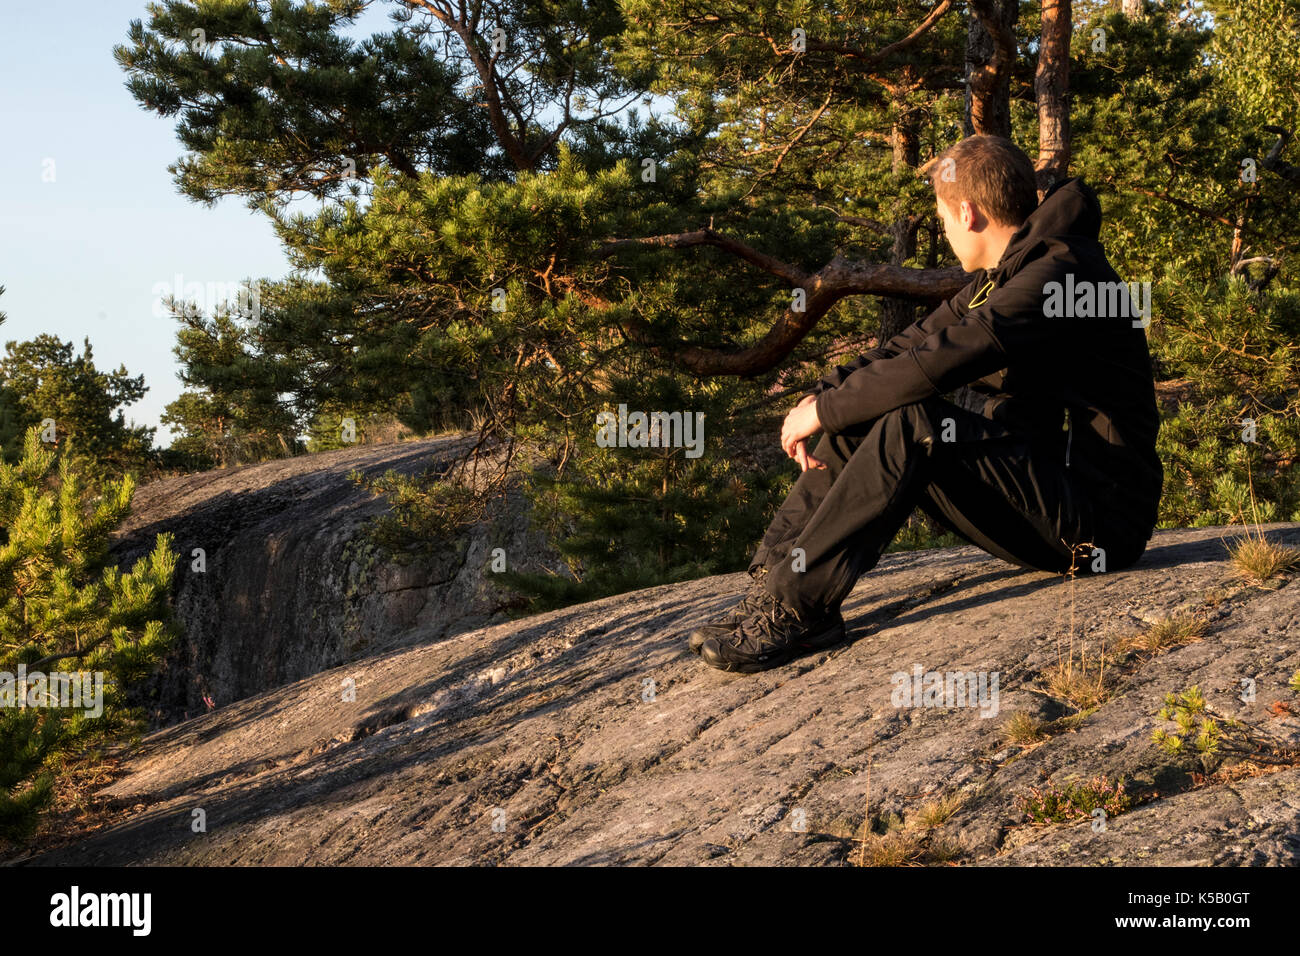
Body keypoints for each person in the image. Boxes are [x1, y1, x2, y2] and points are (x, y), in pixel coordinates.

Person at [688, 134, 1164, 673]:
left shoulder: (1060, 276)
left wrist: (823, 412)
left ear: (967, 211)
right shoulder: (1004, 275)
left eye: (941, 218)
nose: (943, 228)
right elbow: (911, 343)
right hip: (1044, 482)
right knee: (861, 411)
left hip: (1096, 524)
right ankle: (774, 587)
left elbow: (937, 363)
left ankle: (802, 609)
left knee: (914, 419)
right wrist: (825, 395)